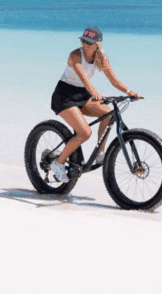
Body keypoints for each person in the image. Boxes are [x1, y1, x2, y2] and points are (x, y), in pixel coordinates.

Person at [49, 26, 141, 183]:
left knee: (108, 114)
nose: (85, 44)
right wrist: (95, 93)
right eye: (84, 41)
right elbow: (84, 79)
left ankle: (100, 153)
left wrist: (129, 91)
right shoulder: (75, 55)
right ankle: (57, 163)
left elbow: (113, 80)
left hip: (82, 95)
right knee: (84, 133)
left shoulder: (102, 57)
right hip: (64, 96)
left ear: (98, 44)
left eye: (90, 42)